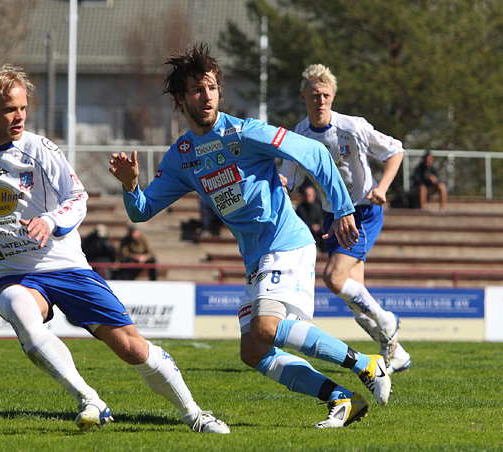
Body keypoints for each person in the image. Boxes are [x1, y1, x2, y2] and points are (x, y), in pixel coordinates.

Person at [0, 64, 228, 434]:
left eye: (23, 108)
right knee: (22, 314)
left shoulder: (40, 149)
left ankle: (194, 414)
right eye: (9, 109)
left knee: (132, 348)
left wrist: (50, 221)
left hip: (65, 264)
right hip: (11, 272)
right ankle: (90, 399)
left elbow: (78, 197)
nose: (19, 116)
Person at [109, 44, 392, 429]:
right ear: (180, 99)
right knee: (253, 349)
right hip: (257, 257)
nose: (206, 96)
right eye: (196, 90)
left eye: (211, 87)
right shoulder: (182, 156)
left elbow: (315, 154)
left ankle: (366, 364)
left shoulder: (246, 133)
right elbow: (141, 211)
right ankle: (343, 399)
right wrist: (130, 185)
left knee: (264, 328)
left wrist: (342, 208)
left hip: (286, 242)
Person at [280, 64, 412, 374]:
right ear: (303, 97)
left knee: (334, 279)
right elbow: (288, 179)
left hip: (362, 212)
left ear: (333, 96)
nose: (320, 100)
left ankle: (388, 322)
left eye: (326, 95)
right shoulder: (298, 136)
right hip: (332, 217)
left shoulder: (352, 126)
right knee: (357, 303)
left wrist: (381, 188)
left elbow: (395, 151)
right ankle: (397, 353)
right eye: (314, 95)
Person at [295, 184, 326, 253]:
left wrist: (319, 226)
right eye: (306, 195)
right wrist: (311, 226)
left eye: (309, 195)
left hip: (320, 229)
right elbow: (301, 220)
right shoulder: (300, 208)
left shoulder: (320, 206)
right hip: (307, 229)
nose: (308, 197)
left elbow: (322, 218)